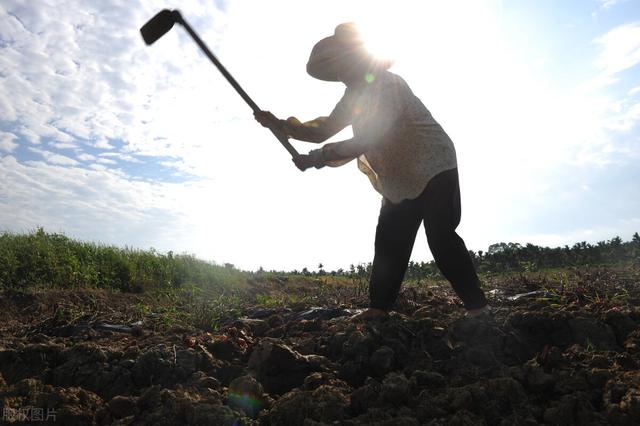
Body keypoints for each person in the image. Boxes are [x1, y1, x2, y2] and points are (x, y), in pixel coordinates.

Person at [255, 23, 488, 320]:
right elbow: (323, 129)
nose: (339, 72)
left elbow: (369, 138)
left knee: (440, 236)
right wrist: (280, 125)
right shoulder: (353, 97)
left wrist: (316, 159)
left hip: (433, 165)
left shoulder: (387, 84)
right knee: (389, 241)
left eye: (342, 62)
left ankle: (478, 308)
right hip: (397, 177)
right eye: (334, 66)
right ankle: (378, 309)